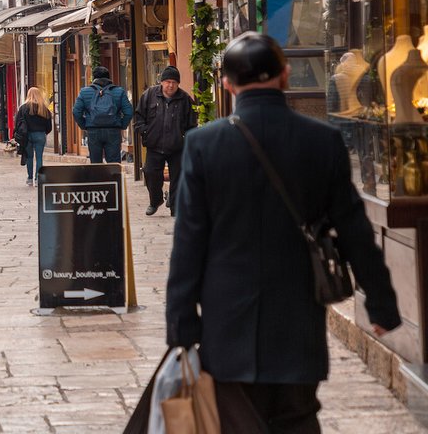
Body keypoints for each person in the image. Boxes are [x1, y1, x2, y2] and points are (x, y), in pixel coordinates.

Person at [166, 32, 400, 433]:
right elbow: (354, 230)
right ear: (286, 75)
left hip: (227, 324)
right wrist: (380, 304)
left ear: (227, 84)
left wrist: (181, 325)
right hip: (296, 318)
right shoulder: (321, 141)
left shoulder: (204, 145)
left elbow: (189, 243)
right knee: (298, 418)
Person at [135, 65, 196, 216]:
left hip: (177, 147)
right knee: (150, 173)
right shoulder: (149, 95)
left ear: (178, 83)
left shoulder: (185, 99)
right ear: (161, 82)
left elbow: (192, 124)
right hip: (155, 145)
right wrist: (145, 132)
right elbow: (138, 117)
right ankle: (155, 201)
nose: (170, 85)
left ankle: (175, 206)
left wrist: (186, 140)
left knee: (178, 177)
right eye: (167, 81)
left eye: (174, 82)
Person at [72, 65, 134, 163]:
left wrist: (84, 126)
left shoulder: (85, 92)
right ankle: (114, 178)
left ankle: (98, 178)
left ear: (94, 78)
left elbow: (76, 112)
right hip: (113, 130)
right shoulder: (119, 92)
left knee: (96, 163)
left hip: (93, 130)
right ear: (109, 77)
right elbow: (129, 112)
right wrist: (122, 125)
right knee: (114, 164)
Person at [13, 86, 53, 185]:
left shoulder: (23, 108)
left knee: (29, 157)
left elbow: (17, 122)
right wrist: (44, 132)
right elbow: (49, 126)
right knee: (39, 157)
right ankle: (38, 179)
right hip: (40, 135)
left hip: (27, 135)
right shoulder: (44, 109)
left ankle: (30, 178)